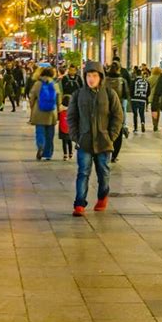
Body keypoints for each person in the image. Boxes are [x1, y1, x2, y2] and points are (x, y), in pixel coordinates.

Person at [67, 60, 123, 216]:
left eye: (94, 75)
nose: (91, 79)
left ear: (100, 77)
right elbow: (71, 117)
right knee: (83, 172)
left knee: (103, 172)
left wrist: (111, 136)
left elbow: (117, 116)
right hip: (84, 140)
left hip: (104, 141)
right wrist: (76, 136)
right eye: (88, 75)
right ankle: (79, 203)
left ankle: (102, 196)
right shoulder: (78, 95)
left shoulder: (110, 94)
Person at [30, 67, 60, 160]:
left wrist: (32, 108)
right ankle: (48, 154)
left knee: (40, 131)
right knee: (50, 134)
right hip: (52, 112)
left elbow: (32, 98)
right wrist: (58, 111)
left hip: (39, 111)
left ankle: (41, 146)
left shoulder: (37, 84)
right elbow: (58, 100)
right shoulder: (55, 84)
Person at [105, 62, 130, 162]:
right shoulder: (122, 81)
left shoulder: (104, 80)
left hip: (105, 109)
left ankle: (106, 152)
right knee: (118, 133)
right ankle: (114, 156)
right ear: (119, 69)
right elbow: (126, 95)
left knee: (105, 131)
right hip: (118, 109)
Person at [58, 94, 73, 160]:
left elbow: (58, 118)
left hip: (62, 128)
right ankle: (70, 153)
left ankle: (65, 154)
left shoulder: (60, 110)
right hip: (70, 128)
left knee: (64, 142)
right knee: (70, 141)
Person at [148, 67, 162, 131]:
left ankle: (154, 123)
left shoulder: (150, 78)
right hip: (160, 97)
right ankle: (157, 124)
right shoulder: (161, 78)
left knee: (153, 111)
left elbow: (148, 87)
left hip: (152, 97)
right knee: (158, 111)